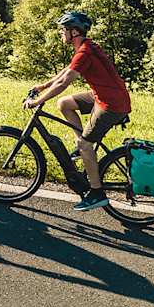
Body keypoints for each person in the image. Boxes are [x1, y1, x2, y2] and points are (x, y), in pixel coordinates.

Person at [24, 11, 131, 211]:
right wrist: (43, 86)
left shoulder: (84, 52)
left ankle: (97, 193)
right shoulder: (84, 47)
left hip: (111, 104)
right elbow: (67, 71)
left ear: (73, 32)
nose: (60, 34)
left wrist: (37, 101)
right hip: (103, 96)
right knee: (65, 104)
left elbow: (65, 82)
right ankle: (82, 148)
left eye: (63, 30)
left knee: (85, 144)